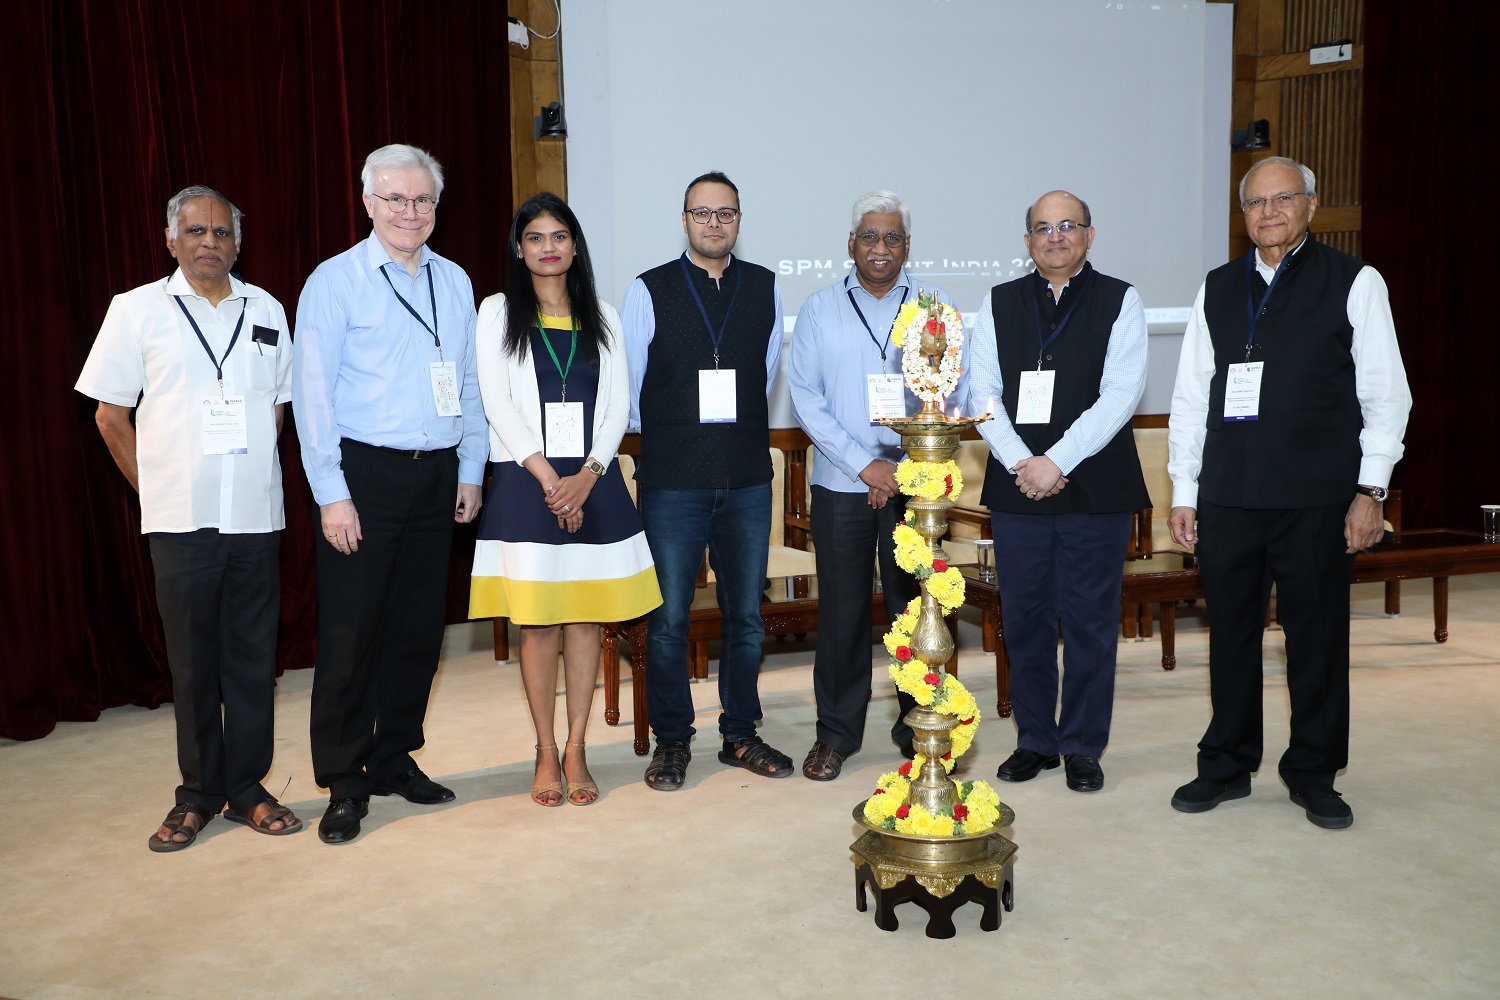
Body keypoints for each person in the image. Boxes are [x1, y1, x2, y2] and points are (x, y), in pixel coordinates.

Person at [1166, 157, 1411, 830]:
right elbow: (1191, 397)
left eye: (1283, 200)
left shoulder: (1356, 282)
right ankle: (1225, 763)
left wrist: (1371, 490)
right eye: (1256, 203)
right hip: (1230, 497)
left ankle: (1314, 772)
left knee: (1317, 639)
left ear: (1310, 204)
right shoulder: (1217, 287)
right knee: (1232, 639)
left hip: (1319, 498)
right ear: (1242, 215)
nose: (1269, 212)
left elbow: (1387, 396)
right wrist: (1185, 491)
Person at [77, 185, 301, 850]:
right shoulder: (137, 310)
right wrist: (158, 491)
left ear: (239, 242)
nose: (211, 242)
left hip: (256, 516)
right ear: (171, 240)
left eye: (223, 233)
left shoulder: (265, 307)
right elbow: (109, 416)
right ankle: (199, 794)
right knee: (196, 662)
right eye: (197, 231)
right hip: (181, 521)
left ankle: (248, 788)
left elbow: (278, 407)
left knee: (254, 659)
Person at [293, 144, 487, 844]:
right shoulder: (334, 282)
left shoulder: (456, 281)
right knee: (351, 632)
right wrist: (331, 494)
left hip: (435, 475)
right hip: (363, 477)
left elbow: (465, 382)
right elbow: (311, 396)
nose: (411, 212)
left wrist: (471, 469)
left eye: (423, 200)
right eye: (397, 200)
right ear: (369, 203)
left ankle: (393, 754)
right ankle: (344, 781)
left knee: (416, 628)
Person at [470, 193, 661, 806]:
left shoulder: (601, 312)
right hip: (529, 485)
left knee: (587, 619)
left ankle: (577, 746)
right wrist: (552, 479)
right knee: (540, 623)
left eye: (559, 236)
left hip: (594, 482)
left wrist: (589, 474)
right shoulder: (497, 312)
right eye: (535, 238)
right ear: (519, 248)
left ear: (575, 246)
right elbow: (497, 403)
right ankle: (545, 751)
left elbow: (617, 404)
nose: (548, 247)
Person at [967, 190, 1149, 794]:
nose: (1054, 236)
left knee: (1092, 623)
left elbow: (1122, 395)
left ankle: (1082, 744)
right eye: (1042, 228)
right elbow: (982, 395)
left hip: (1095, 485)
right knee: (1024, 620)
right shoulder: (998, 303)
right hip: (1020, 486)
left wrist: (1058, 460)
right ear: (1027, 242)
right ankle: (1036, 739)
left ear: (1089, 236)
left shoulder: (1121, 300)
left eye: (1067, 226)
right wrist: (1025, 462)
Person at [620, 170, 792, 790]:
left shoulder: (766, 287)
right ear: (685, 219)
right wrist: (678, 436)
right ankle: (672, 741)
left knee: (745, 616)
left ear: (739, 221)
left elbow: (765, 372)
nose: (714, 223)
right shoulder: (648, 290)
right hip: (673, 481)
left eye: (726, 214)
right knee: (668, 621)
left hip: (746, 477)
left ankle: (740, 734)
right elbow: (632, 386)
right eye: (702, 213)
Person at [788, 190, 962, 780]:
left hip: (918, 486)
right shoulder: (818, 310)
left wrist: (902, 465)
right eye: (870, 236)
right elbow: (806, 399)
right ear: (851, 245)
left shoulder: (936, 310)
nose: (880, 247)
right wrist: (867, 465)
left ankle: (921, 727)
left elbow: (954, 391)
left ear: (907, 246)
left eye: (891, 237)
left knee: (919, 612)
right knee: (841, 613)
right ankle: (837, 734)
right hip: (843, 483)